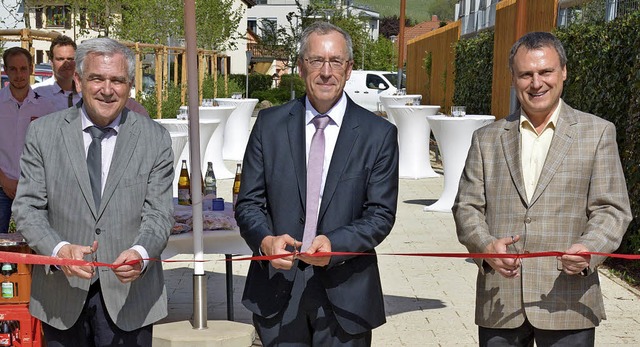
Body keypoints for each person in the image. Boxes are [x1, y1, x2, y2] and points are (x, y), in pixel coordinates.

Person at [453, 31, 632, 346]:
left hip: (568, 299)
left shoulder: (597, 133)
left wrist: (589, 249)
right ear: (514, 78)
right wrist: (485, 245)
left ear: (563, 72)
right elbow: (466, 207)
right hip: (501, 302)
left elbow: (612, 209)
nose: (536, 83)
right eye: (526, 74)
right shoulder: (487, 139)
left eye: (545, 71)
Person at [235, 21, 399, 346]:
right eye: (316, 61)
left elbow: (380, 214)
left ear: (349, 68)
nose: (326, 71)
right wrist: (265, 241)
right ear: (300, 66)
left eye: (336, 61)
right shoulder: (269, 126)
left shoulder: (378, 135)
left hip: (346, 293)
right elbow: (249, 203)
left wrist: (334, 244)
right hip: (278, 287)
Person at [12, 38, 174, 346]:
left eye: (117, 80)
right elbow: (27, 208)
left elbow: (159, 213)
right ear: (78, 80)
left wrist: (140, 254)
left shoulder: (155, 138)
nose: (107, 89)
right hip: (61, 295)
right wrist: (58, 249)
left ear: (130, 85)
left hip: (131, 297)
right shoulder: (43, 133)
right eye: (97, 78)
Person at [0, 47, 55, 233]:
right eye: (13, 69)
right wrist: (3, 180)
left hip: (34, 187)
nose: (18, 75)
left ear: (31, 69)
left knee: (34, 242)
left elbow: (51, 149)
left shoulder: (46, 107)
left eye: (23, 68)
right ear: (5, 70)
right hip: (1, 185)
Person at [33, 34, 150, 116]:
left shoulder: (94, 93)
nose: (66, 63)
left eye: (70, 59)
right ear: (51, 61)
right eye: (60, 59)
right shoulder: (37, 94)